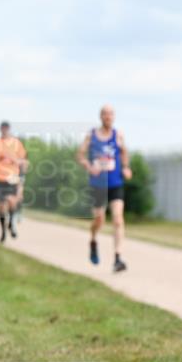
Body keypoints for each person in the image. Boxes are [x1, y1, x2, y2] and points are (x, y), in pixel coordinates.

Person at [77, 105, 132, 272]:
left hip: (115, 183)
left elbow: (123, 152)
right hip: (98, 184)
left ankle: (117, 258)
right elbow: (80, 155)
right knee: (99, 219)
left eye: (111, 114)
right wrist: (88, 166)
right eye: (105, 114)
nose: (108, 117)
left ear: (114, 117)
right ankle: (93, 240)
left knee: (117, 218)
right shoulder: (91, 135)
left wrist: (126, 167)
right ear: (101, 116)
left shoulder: (118, 135)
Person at [0, 121, 28, 243]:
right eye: (3, 128)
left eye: (6, 128)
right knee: (1, 206)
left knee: (12, 201)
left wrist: (21, 172)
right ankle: (3, 231)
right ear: (0, 129)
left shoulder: (17, 143)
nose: (5, 130)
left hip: (12, 177)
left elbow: (23, 160)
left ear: (9, 129)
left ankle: (11, 223)